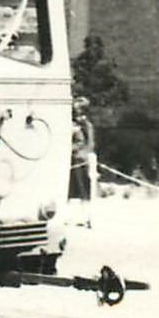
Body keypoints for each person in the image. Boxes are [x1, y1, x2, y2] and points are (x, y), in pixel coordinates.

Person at [69, 95, 98, 227]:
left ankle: (85, 217)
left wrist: (70, 148)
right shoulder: (82, 125)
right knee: (74, 190)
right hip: (80, 158)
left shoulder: (83, 126)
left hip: (80, 160)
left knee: (82, 189)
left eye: (79, 110)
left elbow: (82, 143)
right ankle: (78, 217)